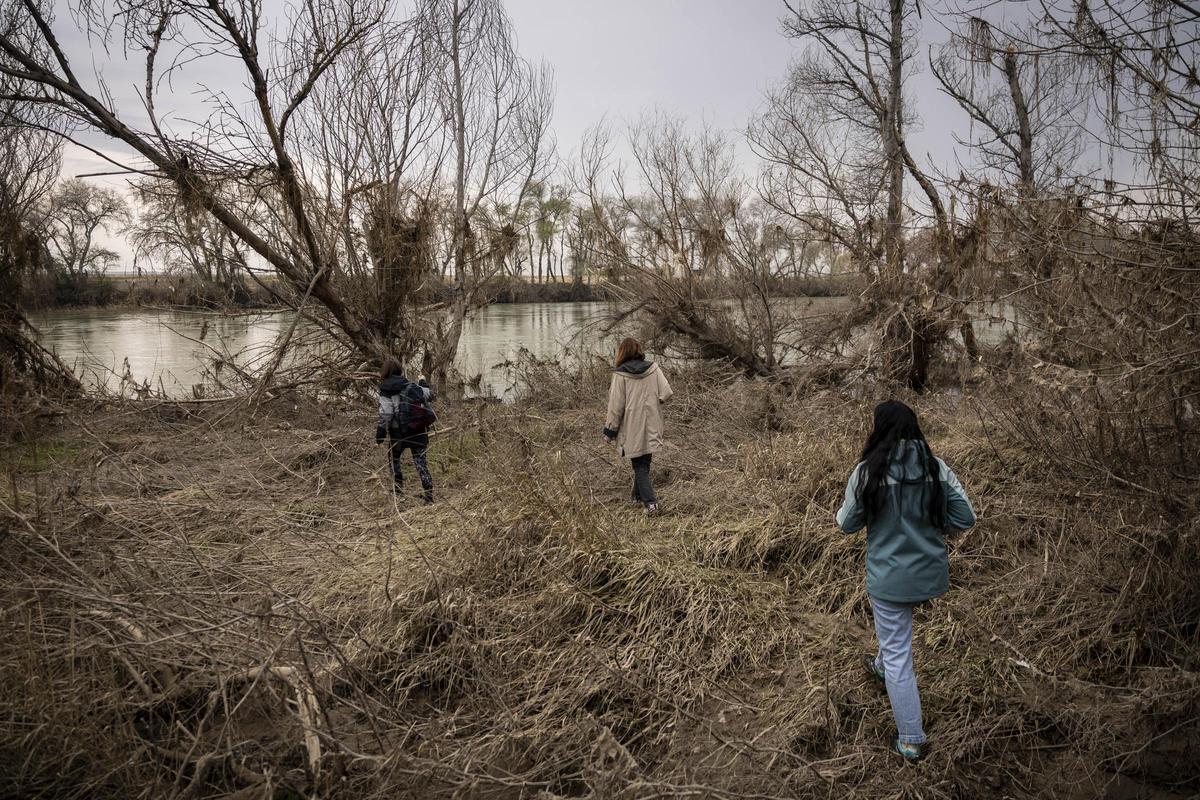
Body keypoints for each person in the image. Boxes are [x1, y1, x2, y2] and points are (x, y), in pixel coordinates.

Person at [835, 400, 977, 760]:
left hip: (889, 580)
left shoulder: (867, 472)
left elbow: (846, 523)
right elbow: (965, 517)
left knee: (899, 655)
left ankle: (912, 739)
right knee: (894, 639)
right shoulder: (935, 467)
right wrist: (934, 525)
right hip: (929, 575)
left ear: (878, 429)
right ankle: (881, 665)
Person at [603, 337, 673, 515]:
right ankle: (636, 496)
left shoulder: (620, 375)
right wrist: (655, 402)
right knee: (644, 461)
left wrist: (609, 431)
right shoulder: (653, 368)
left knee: (639, 465)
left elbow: (615, 406)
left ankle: (651, 504)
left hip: (632, 426)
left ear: (622, 353)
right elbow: (666, 392)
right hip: (652, 421)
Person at [375, 358, 435, 504]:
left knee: (394, 461)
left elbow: (387, 413)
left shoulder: (385, 389)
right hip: (419, 431)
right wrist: (423, 382)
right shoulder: (410, 385)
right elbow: (430, 395)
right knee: (421, 464)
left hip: (398, 434)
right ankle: (429, 497)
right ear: (399, 370)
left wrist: (381, 431)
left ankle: (399, 492)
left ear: (385, 372)